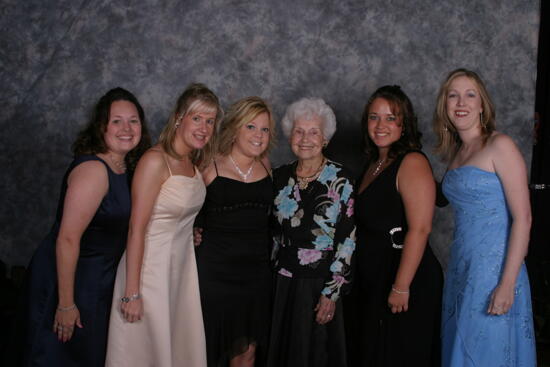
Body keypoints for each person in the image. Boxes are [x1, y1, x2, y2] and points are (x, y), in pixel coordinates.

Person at [18, 87, 151, 367]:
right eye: (116, 121)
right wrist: (66, 303)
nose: (126, 128)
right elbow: (67, 238)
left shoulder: (126, 168)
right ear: (101, 126)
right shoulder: (94, 171)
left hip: (99, 280)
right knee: (59, 356)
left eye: (133, 120)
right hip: (69, 279)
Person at [105, 83, 222, 367]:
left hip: (180, 270)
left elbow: (176, 214)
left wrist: (188, 230)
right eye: (197, 118)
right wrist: (132, 292)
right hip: (149, 272)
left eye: (210, 121)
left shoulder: (191, 162)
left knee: (177, 348)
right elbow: (137, 228)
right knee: (146, 351)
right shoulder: (155, 160)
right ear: (179, 117)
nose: (204, 128)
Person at [434, 68, 536, 366]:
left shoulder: (499, 145)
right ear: (445, 105)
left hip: (495, 271)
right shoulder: (456, 152)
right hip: (461, 267)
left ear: (482, 105)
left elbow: (524, 218)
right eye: (453, 96)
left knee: (487, 351)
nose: (461, 103)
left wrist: (506, 283)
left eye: (470, 95)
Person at [345, 85, 443, 366]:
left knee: (399, 353)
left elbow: (421, 228)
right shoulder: (374, 164)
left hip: (405, 276)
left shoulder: (411, 162)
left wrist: (401, 286)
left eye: (391, 118)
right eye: (374, 117)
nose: (380, 125)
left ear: (405, 124)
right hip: (375, 275)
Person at [268, 97, 356, 367]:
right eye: (299, 131)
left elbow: (347, 240)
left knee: (315, 354)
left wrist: (331, 292)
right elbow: (267, 230)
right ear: (289, 135)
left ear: (325, 138)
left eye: (313, 132)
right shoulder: (278, 176)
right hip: (282, 282)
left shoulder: (342, 179)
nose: (305, 139)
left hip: (320, 282)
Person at [195, 96, 276, 367]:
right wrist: (193, 229)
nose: (258, 135)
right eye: (251, 127)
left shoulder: (268, 166)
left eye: (265, 129)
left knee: (248, 350)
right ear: (235, 128)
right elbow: (183, 211)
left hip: (256, 274)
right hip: (215, 274)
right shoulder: (209, 165)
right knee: (212, 347)